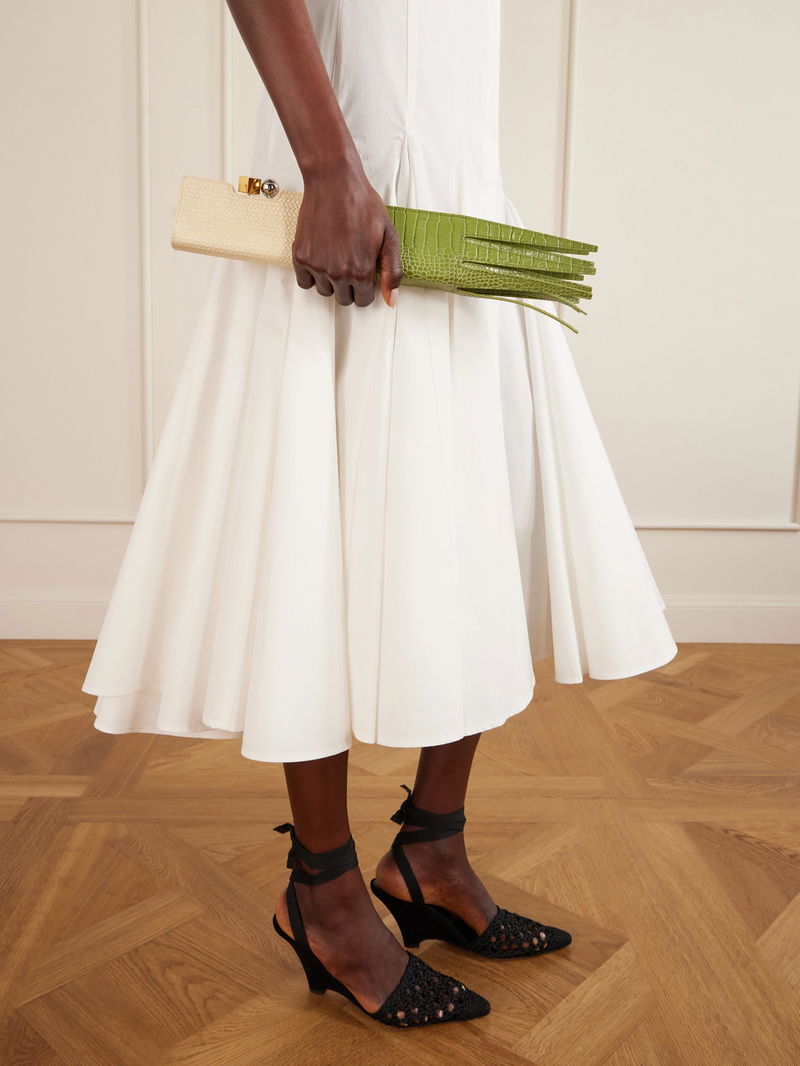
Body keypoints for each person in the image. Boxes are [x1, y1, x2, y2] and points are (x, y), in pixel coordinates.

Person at [81, 0, 678, 1028]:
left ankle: (430, 852)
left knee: (477, 521)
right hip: (351, 191)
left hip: (458, 190)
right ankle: (322, 891)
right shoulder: (337, 183)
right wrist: (328, 172)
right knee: (315, 527)